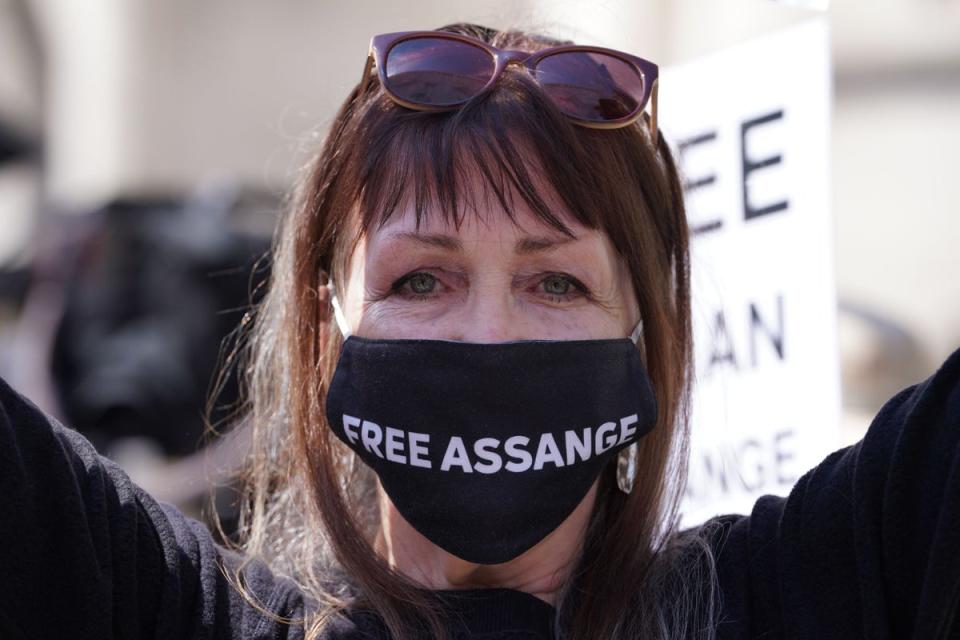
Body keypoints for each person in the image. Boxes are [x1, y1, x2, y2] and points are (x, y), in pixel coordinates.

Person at [1, 22, 959, 640]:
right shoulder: (164, 612)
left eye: (555, 281)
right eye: (422, 278)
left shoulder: (805, 593)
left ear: (644, 330)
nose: (488, 335)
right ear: (326, 327)